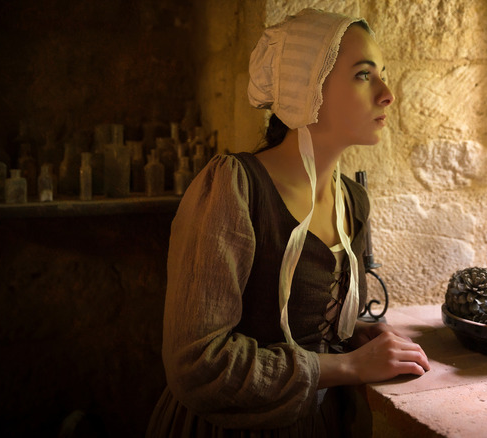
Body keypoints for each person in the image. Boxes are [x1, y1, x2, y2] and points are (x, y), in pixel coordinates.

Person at [146, 9, 430, 437]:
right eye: (362, 75)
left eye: (383, 74)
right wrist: (349, 365)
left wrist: (355, 339)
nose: (387, 93)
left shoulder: (352, 200)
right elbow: (198, 365)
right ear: (306, 88)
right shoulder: (233, 189)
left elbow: (309, 325)